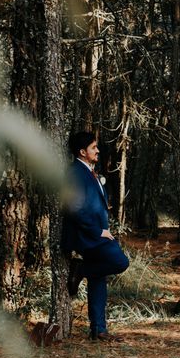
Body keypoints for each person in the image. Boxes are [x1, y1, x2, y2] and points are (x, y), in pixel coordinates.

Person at [62, 132, 129, 342]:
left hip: (96, 234)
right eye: (93, 147)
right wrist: (98, 231)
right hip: (87, 237)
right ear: (82, 152)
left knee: (98, 278)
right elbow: (73, 208)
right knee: (120, 262)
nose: (98, 150)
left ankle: (98, 330)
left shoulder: (89, 171)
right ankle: (80, 269)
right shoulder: (74, 173)